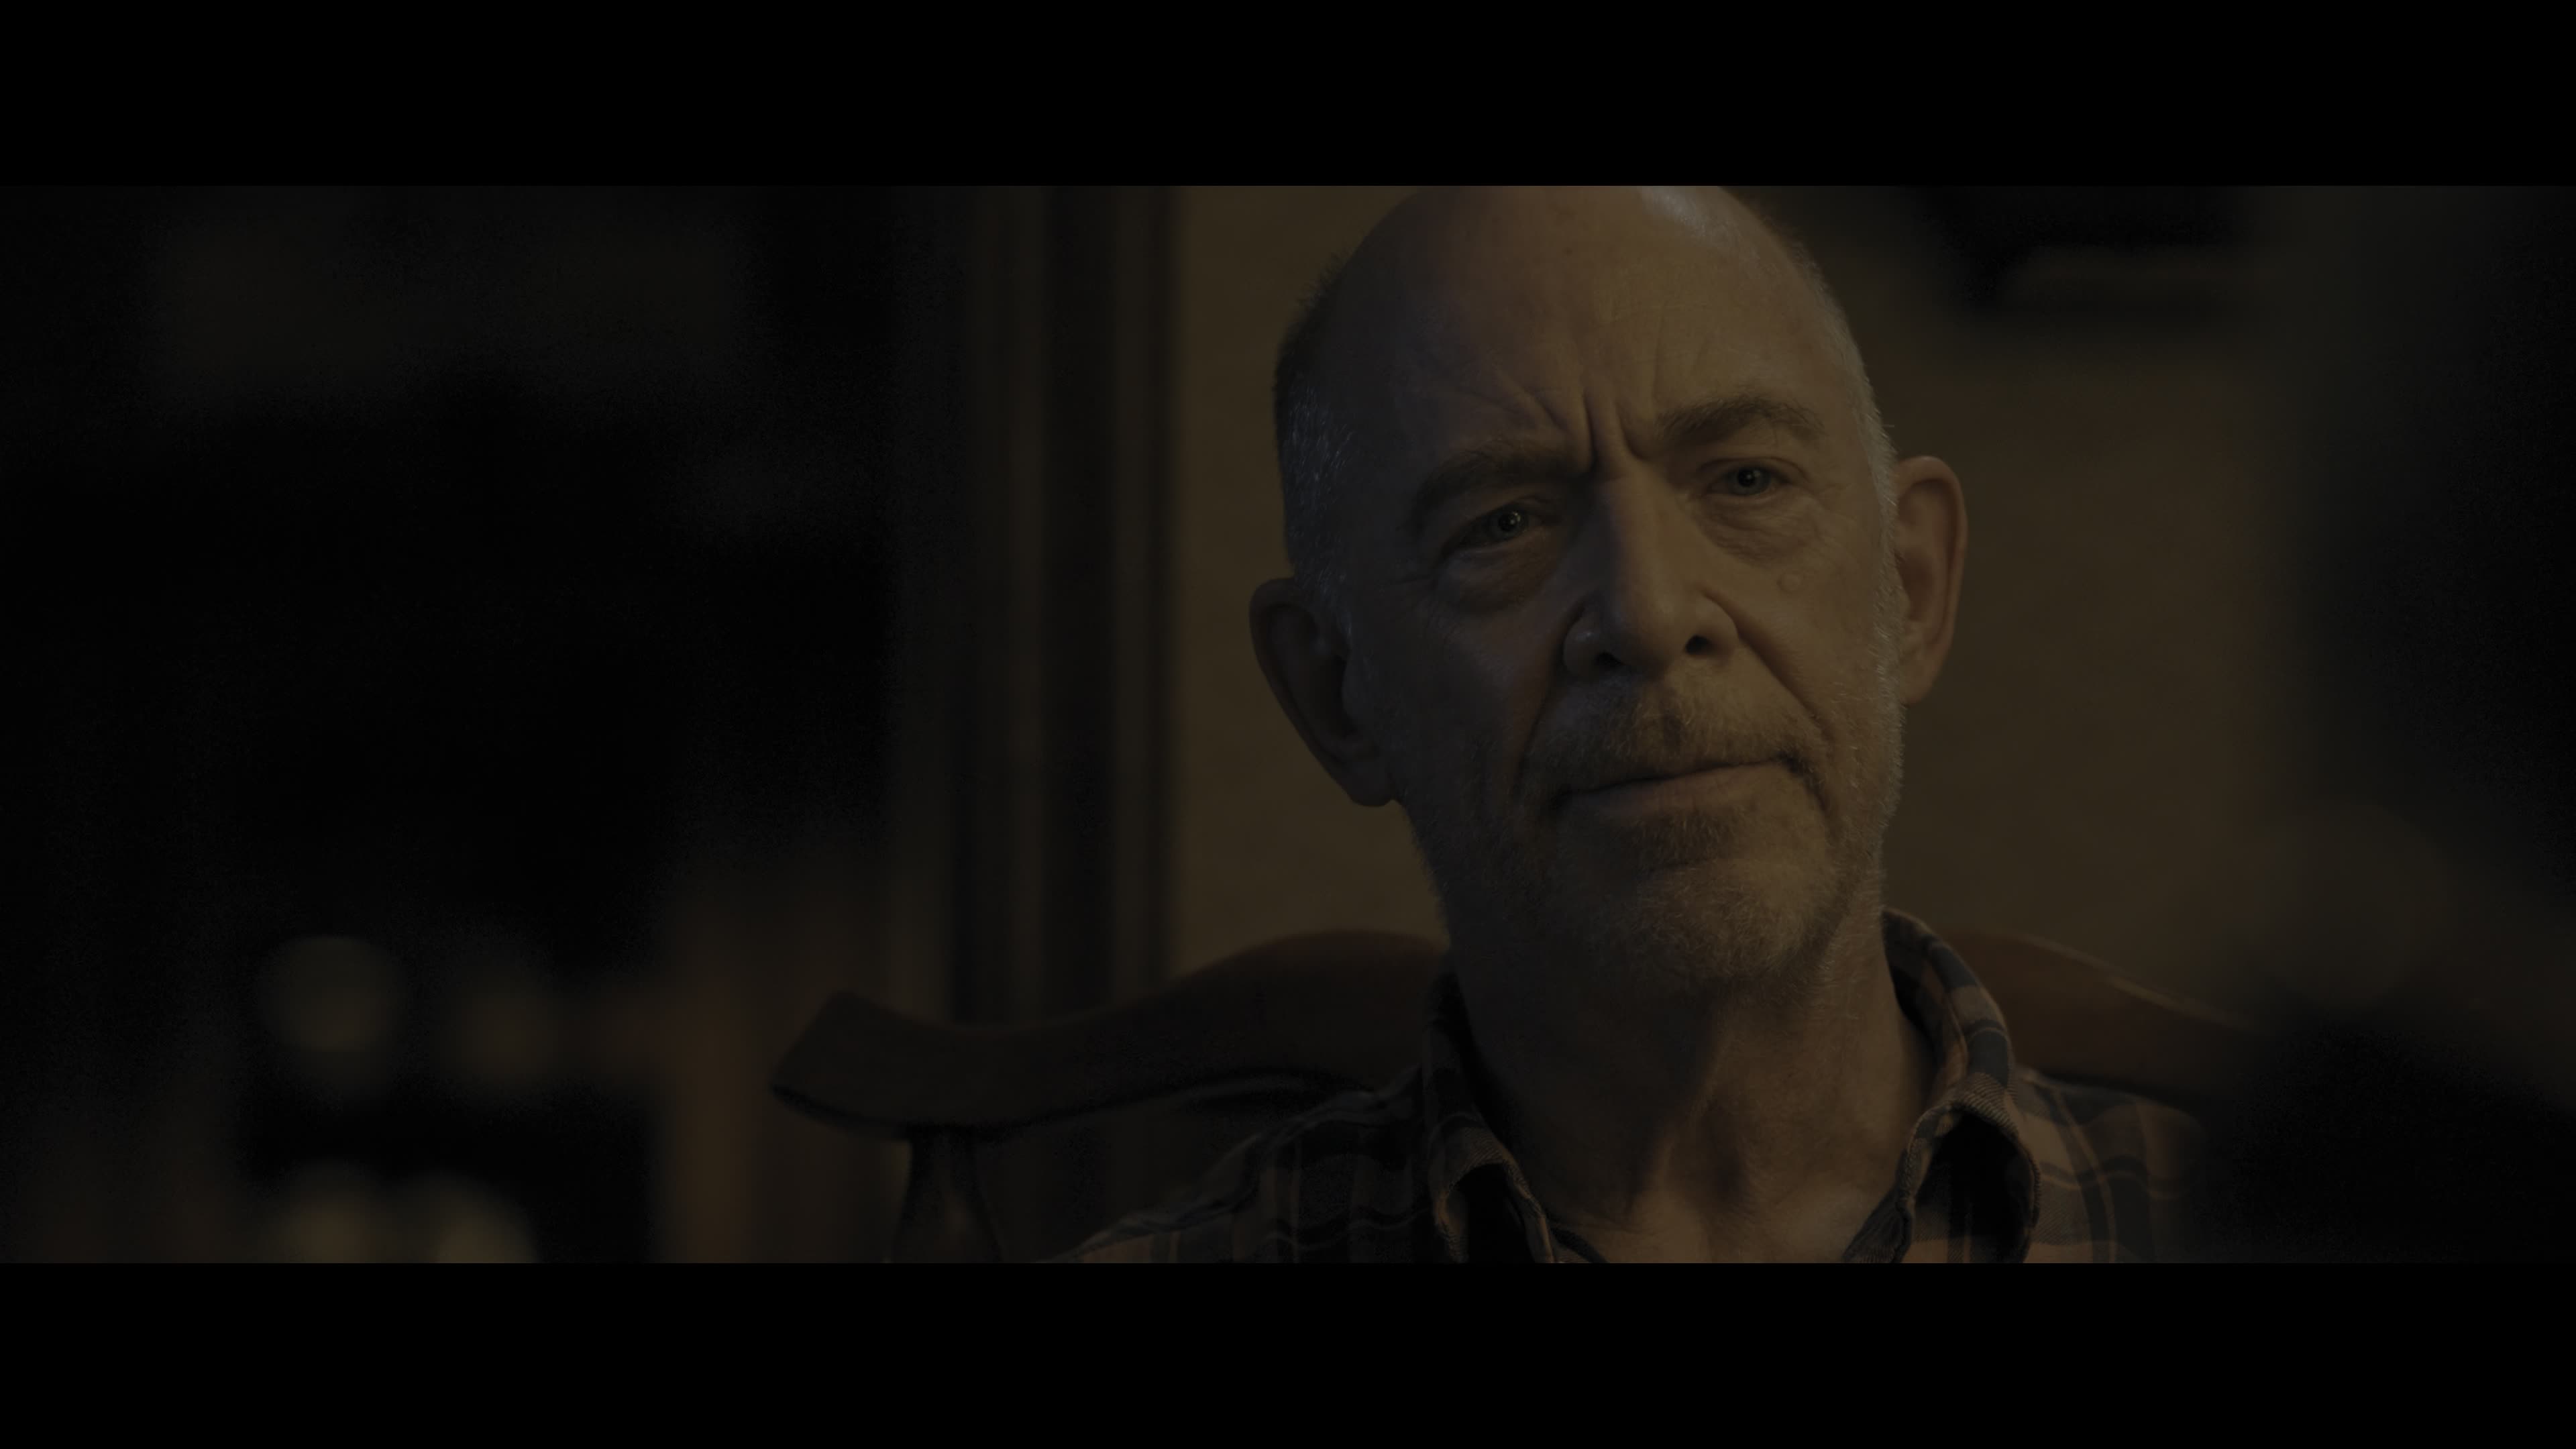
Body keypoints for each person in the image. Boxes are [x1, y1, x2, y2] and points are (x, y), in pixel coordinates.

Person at [1059, 186, 2202, 1263]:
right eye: (1502, 524)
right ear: (1337, 693)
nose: (1650, 615)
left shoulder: (2239, 1230)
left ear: (1911, 586)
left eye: (1747, 482)